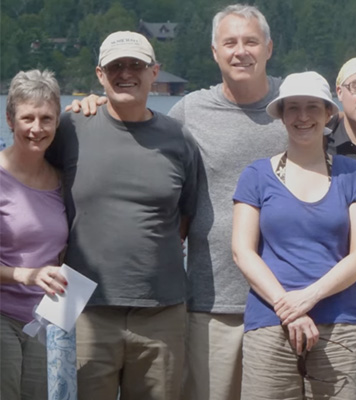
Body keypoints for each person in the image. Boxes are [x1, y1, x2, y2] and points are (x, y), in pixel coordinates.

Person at [66, 6, 286, 398]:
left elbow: (181, 212)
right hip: (106, 303)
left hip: (251, 299)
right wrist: (84, 106)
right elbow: (26, 174)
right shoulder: (73, 128)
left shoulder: (297, 107)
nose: (240, 51)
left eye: (250, 41)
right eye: (230, 42)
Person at [47, 31, 199, 400]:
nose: (126, 73)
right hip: (81, 307)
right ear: (100, 74)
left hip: (161, 310)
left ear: (154, 72)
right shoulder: (71, 128)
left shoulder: (179, 138)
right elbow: (34, 186)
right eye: (116, 66)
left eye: (136, 65)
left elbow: (186, 217)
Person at [232, 71, 356, 399]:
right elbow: (243, 252)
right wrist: (288, 307)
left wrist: (308, 298)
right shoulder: (256, 175)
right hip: (269, 322)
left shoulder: (354, 175)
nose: (302, 116)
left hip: (339, 324)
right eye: (292, 107)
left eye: (313, 107)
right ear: (281, 115)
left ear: (328, 114)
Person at [0, 69, 68, 400]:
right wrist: (27, 275)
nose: (37, 129)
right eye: (28, 118)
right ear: (10, 120)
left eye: (47, 118)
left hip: (45, 322)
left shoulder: (62, 179)